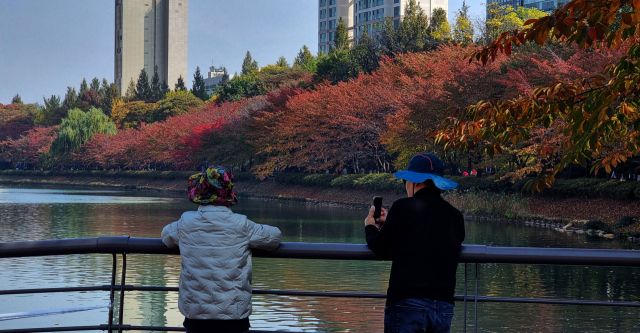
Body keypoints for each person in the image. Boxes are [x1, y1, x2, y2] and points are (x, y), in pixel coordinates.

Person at [162, 165, 282, 333]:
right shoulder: (242, 225)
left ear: (200, 190)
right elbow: (274, 237)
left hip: (196, 315)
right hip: (234, 315)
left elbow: (166, 237)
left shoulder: (185, 222)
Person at [364, 153, 465, 333]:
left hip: (407, 303)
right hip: (443, 307)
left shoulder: (403, 207)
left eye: (406, 181)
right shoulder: (456, 216)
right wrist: (392, 226)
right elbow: (426, 238)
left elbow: (379, 247)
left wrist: (370, 227)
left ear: (415, 182)